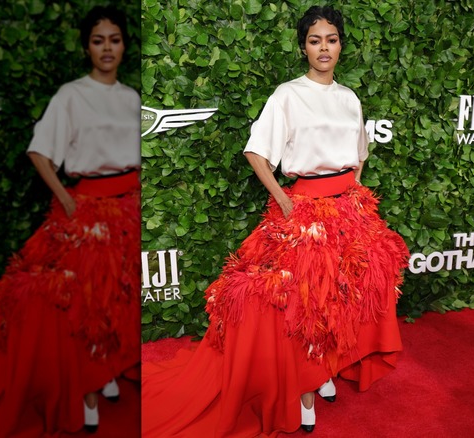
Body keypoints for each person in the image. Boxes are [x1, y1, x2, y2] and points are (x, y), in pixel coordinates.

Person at [142, 5, 409, 436]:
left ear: (341, 45)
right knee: (306, 303)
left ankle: (325, 371)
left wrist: (353, 188)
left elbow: (360, 152)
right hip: (304, 214)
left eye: (332, 39)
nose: (324, 48)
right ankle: (303, 392)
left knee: (343, 297)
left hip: (349, 214)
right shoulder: (288, 95)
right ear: (303, 47)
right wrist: (285, 200)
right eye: (315, 40)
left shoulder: (349, 98)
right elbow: (255, 151)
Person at [0, 6, 140, 436]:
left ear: (123, 46)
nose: (106, 48)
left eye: (114, 39)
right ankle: (88, 391)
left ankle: (109, 372)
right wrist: (65, 198)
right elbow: (40, 152)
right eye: (98, 41)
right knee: (87, 305)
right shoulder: (70, 95)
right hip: (88, 213)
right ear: (86, 47)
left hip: (130, 211)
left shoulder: (132, 98)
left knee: (121, 300)